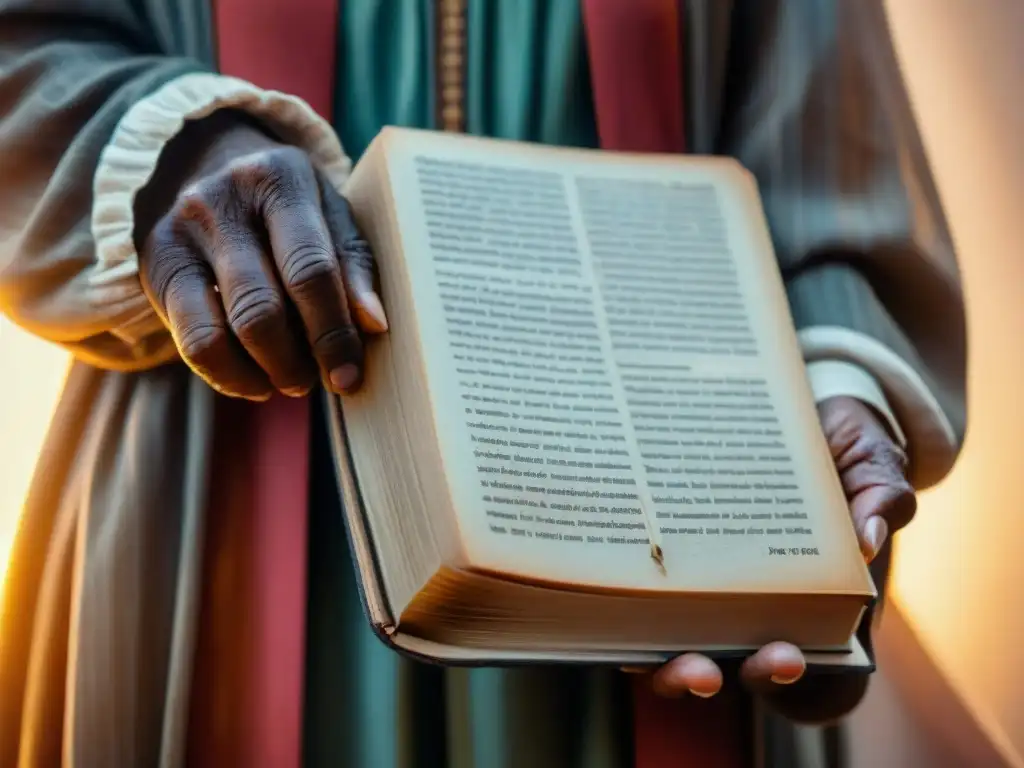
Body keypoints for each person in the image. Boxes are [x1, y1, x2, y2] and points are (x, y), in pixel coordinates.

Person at [0, 0, 966, 766]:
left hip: (661, 580)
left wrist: (836, 417)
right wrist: (175, 153)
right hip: (208, 494)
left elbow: (830, 167)